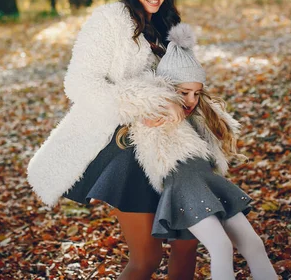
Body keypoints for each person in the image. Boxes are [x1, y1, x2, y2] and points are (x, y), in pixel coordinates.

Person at [27, 0, 198, 279]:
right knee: (146, 259)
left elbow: (186, 82)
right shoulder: (108, 21)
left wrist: (183, 104)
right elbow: (78, 83)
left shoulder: (169, 24)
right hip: (124, 148)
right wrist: (141, 105)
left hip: (171, 143)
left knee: (189, 242)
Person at [119, 23, 277, 280]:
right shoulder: (152, 113)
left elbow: (215, 133)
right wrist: (163, 102)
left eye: (196, 93)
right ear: (166, 88)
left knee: (254, 244)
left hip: (209, 182)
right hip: (183, 188)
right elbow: (130, 96)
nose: (191, 100)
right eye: (183, 93)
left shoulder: (198, 116)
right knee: (221, 247)